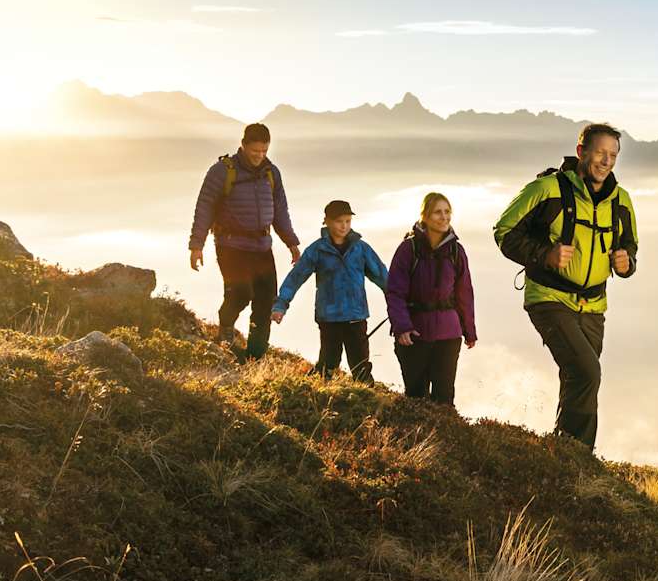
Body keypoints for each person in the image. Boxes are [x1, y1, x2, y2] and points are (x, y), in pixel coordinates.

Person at [493, 123, 639, 450]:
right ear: (581, 152)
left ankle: (564, 453)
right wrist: (545, 254)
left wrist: (626, 263)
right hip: (548, 297)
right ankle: (580, 458)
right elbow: (504, 232)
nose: (606, 161)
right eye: (600, 153)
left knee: (580, 380)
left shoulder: (621, 201)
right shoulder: (547, 189)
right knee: (587, 373)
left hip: (593, 305)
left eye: (613, 155)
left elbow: (630, 246)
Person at [189, 123, 301, 361]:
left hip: (262, 246)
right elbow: (204, 207)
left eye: (264, 151)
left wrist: (291, 242)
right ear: (243, 145)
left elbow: (280, 210)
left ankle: (255, 355)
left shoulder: (272, 173)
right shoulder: (222, 171)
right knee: (240, 293)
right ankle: (226, 328)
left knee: (265, 302)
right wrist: (196, 245)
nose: (260, 156)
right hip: (231, 246)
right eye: (255, 151)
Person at [271, 200, 388, 380]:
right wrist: (281, 305)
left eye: (348, 221)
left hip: (356, 316)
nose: (344, 226)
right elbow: (296, 278)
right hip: (329, 318)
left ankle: (366, 403)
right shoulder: (317, 250)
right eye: (339, 221)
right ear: (327, 221)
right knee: (328, 364)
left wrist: (400, 302)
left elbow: (383, 277)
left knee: (361, 367)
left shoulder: (361, 248)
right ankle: (317, 397)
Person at [385, 193, 477, 406]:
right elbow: (395, 292)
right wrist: (402, 326)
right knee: (415, 396)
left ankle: (444, 438)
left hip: (449, 334)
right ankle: (417, 438)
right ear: (425, 216)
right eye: (438, 212)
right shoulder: (409, 249)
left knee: (444, 397)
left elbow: (465, 293)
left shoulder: (456, 251)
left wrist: (469, 330)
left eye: (447, 212)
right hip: (415, 333)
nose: (444, 217)